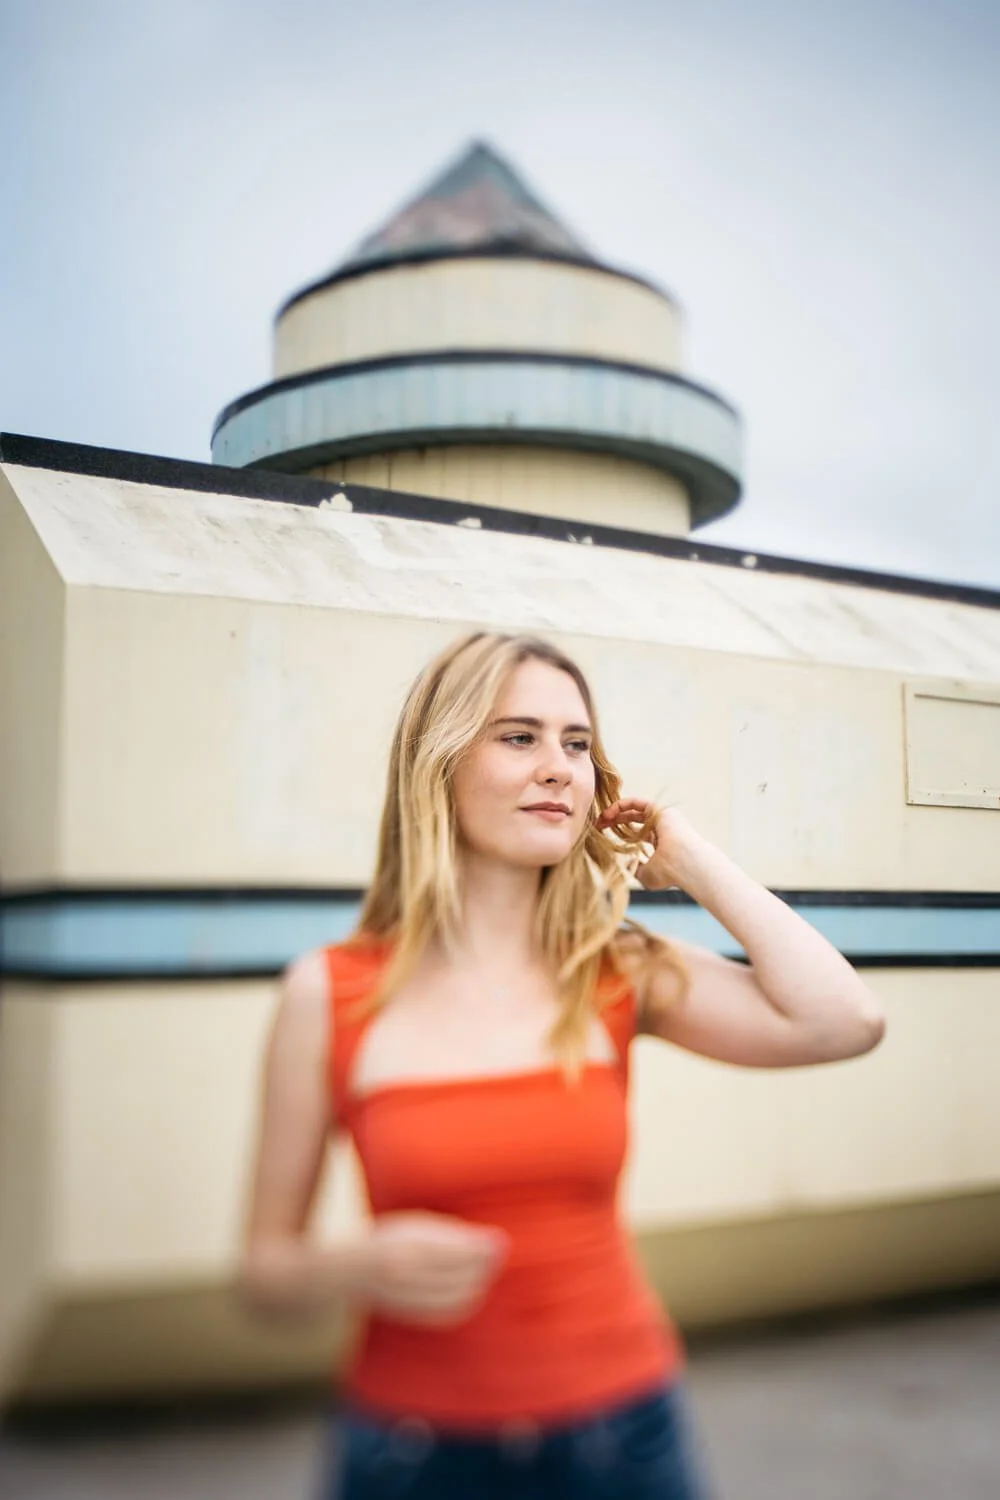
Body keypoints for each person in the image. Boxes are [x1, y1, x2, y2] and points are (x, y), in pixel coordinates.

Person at [241, 631, 885, 1499]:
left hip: (622, 1438)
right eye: (519, 737)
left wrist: (689, 857)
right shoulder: (329, 993)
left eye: (577, 744)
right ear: (439, 763)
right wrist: (354, 1266)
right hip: (411, 1451)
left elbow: (843, 1021)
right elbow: (265, 1276)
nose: (559, 767)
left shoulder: (615, 968)